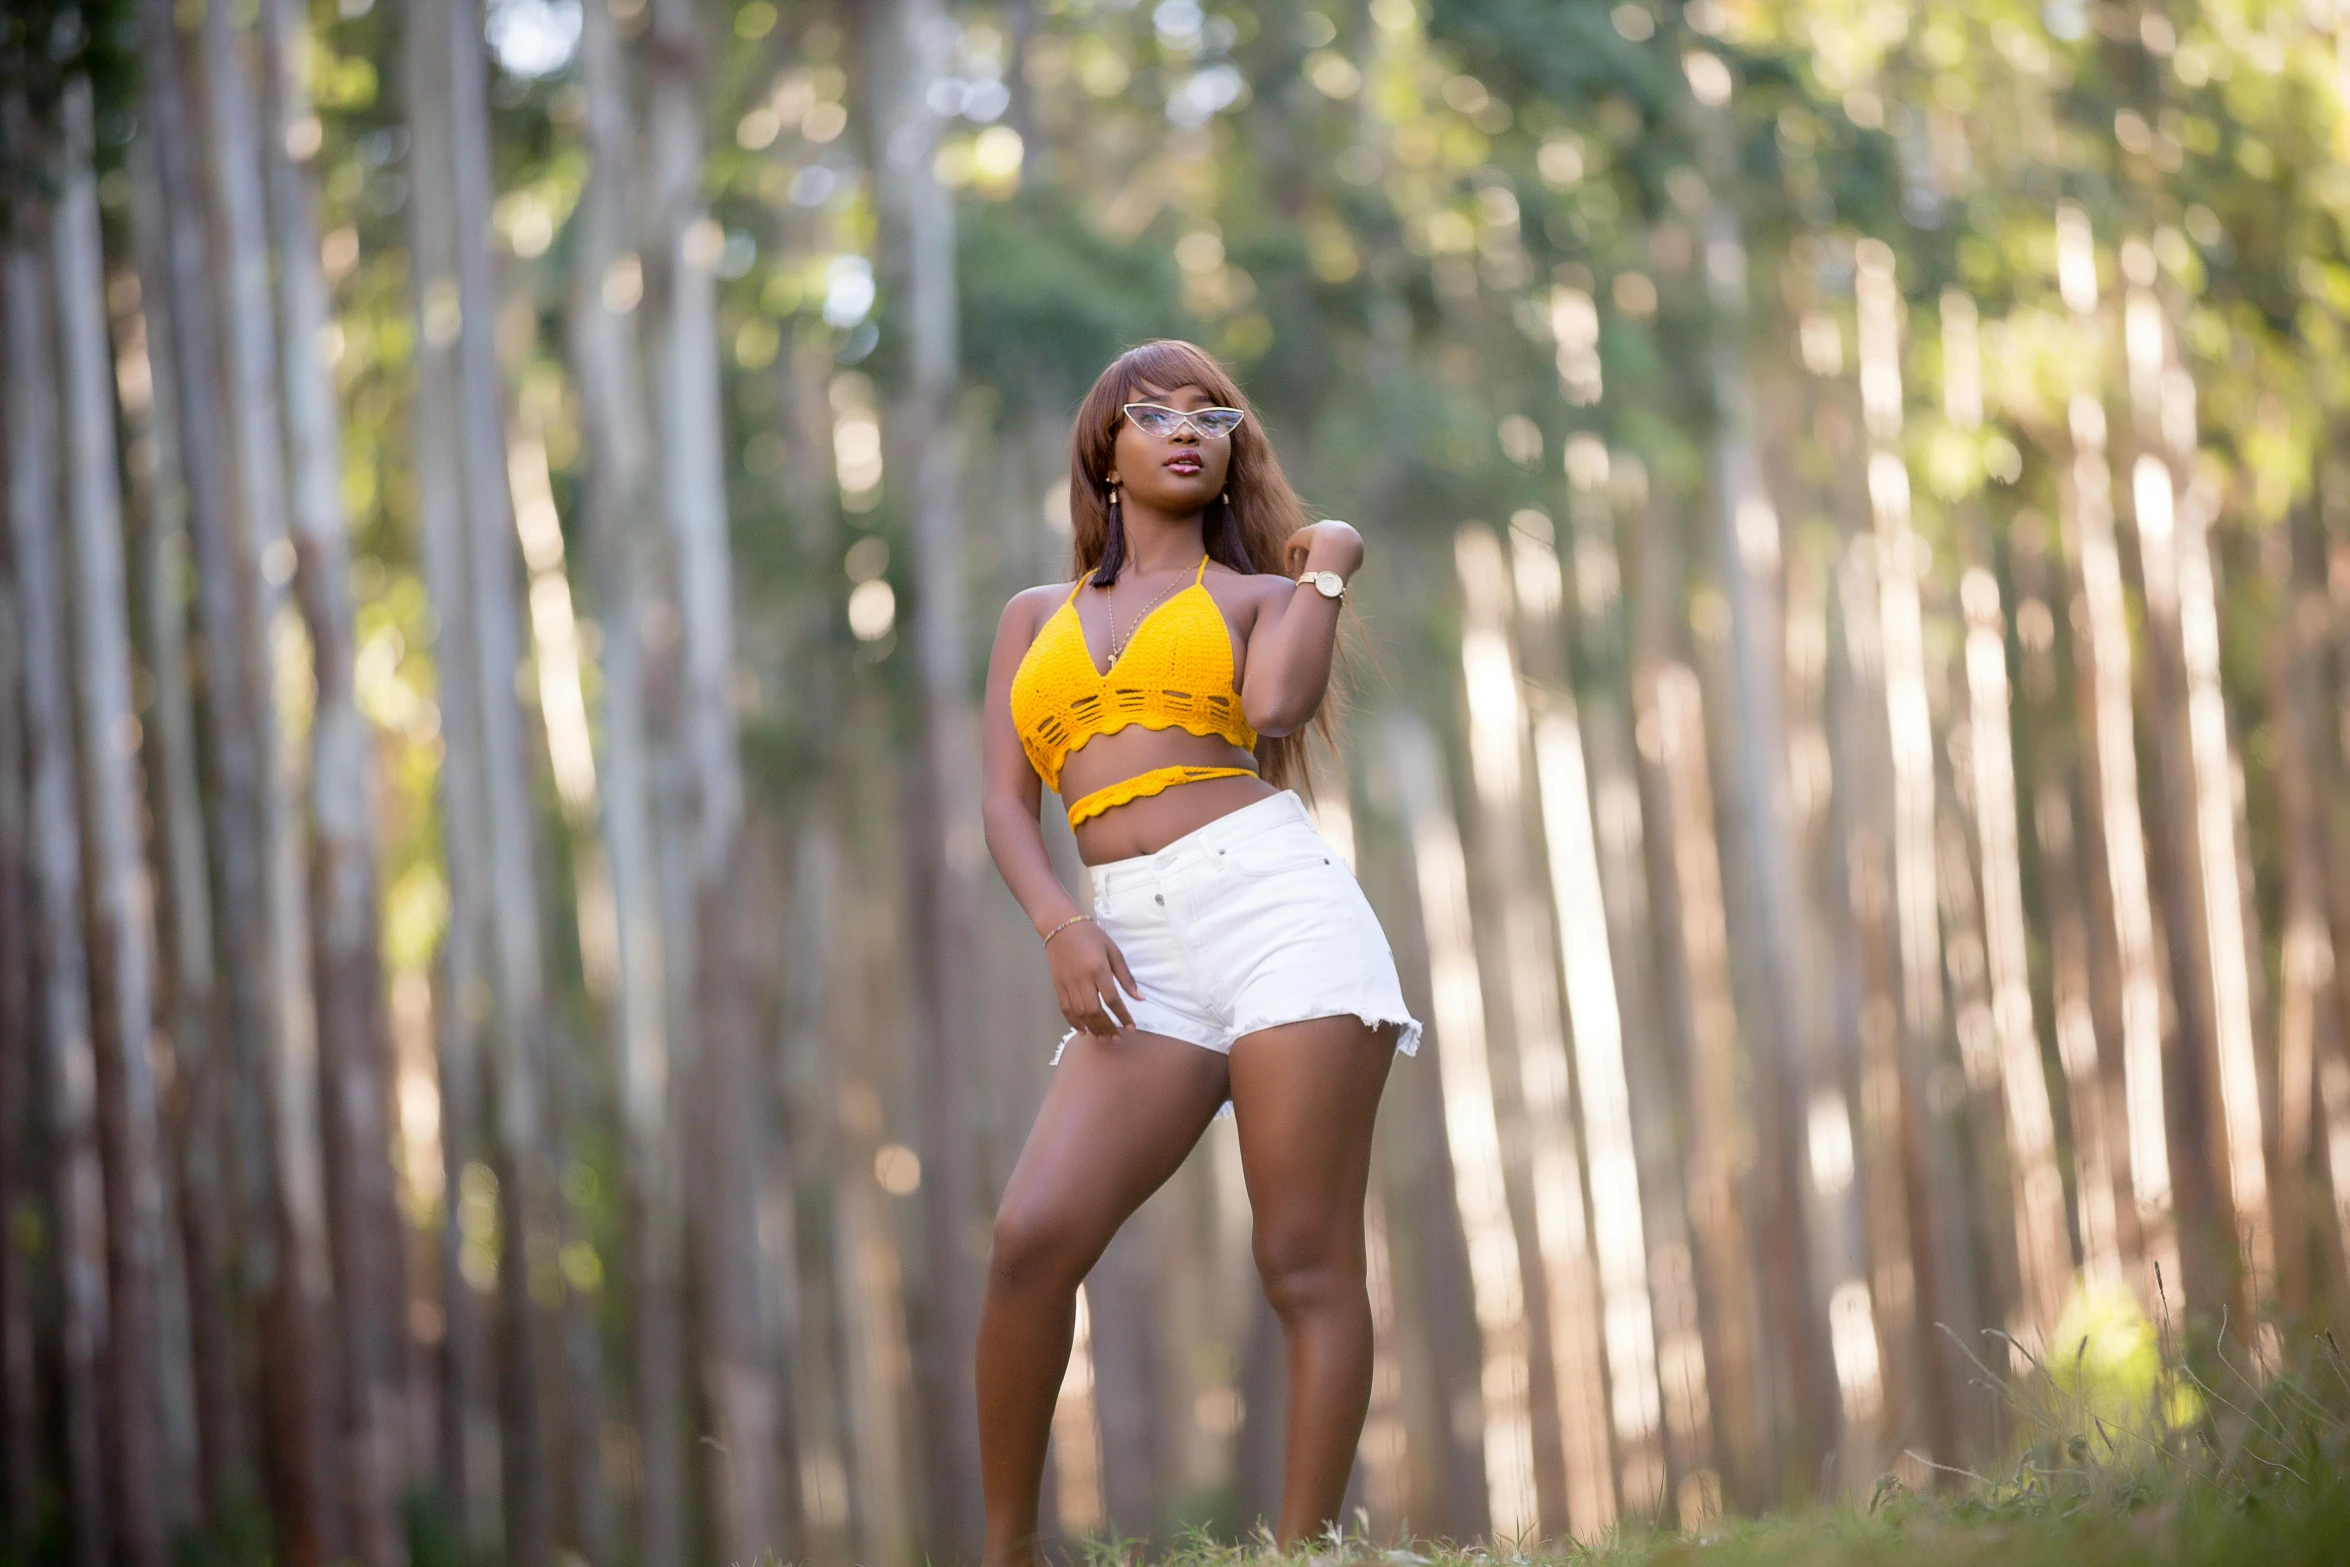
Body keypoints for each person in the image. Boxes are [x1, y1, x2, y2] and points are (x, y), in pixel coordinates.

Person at [977, 339, 1422, 1560]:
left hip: (1276, 912)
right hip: (1129, 942)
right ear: (1102, 454)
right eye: (1153, 414)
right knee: (1030, 1242)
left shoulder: (1262, 598)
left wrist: (1327, 564)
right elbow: (1007, 807)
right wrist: (1062, 925)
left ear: (1232, 455)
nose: (1185, 430)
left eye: (1211, 416)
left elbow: (1275, 710)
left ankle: (1301, 1550)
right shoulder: (1032, 619)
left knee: (1301, 1256)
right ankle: (1005, 1551)